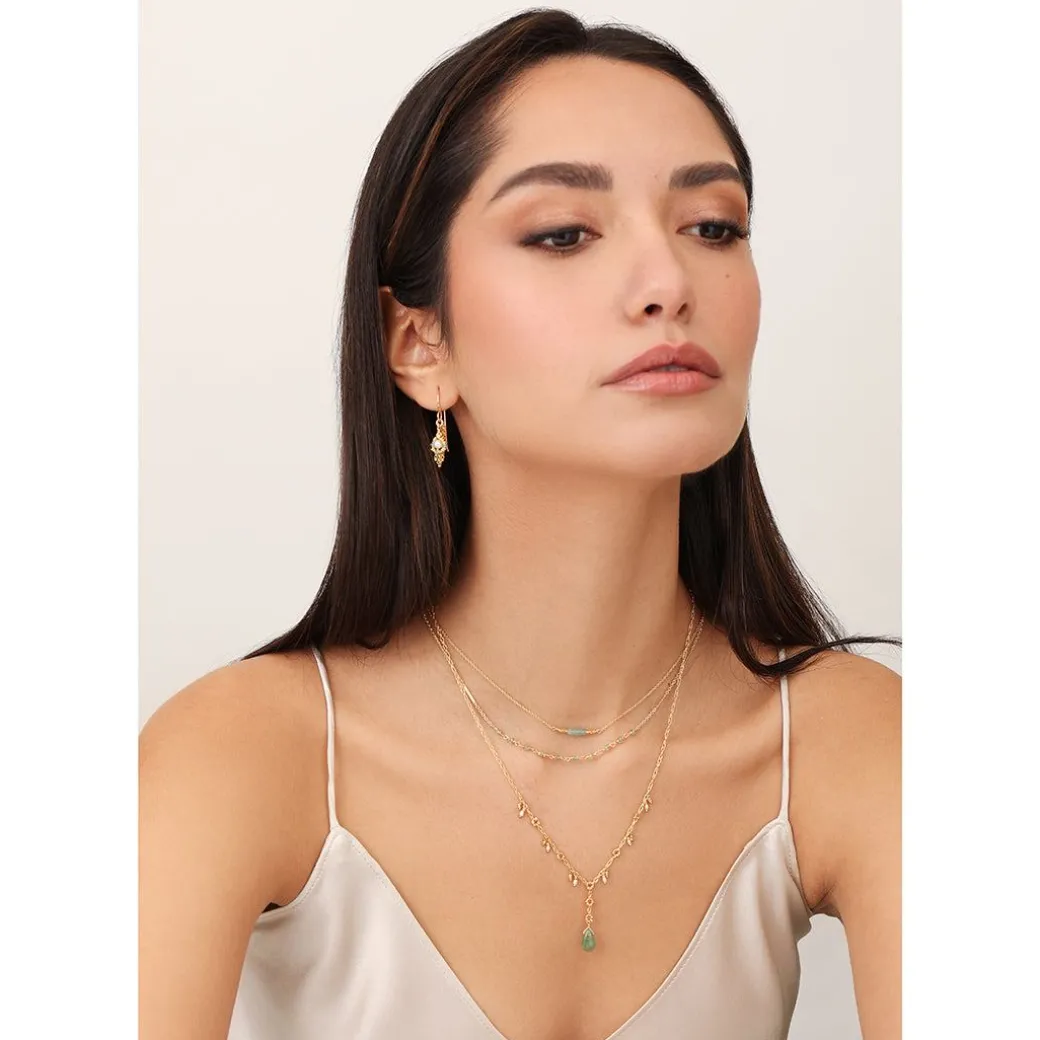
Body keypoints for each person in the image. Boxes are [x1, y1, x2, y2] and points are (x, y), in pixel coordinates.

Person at [139, 9, 901, 1039]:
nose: (669, 284)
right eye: (562, 234)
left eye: (712, 227)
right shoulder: (239, 755)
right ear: (419, 343)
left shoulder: (853, 744)